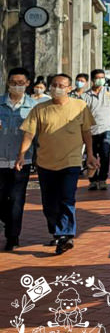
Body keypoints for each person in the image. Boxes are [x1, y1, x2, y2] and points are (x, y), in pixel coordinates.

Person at [17, 74, 98, 254]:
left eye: (61, 85)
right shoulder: (40, 109)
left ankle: (66, 234)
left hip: (71, 161)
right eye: (54, 85)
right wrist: (22, 155)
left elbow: (86, 132)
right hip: (45, 163)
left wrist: (90, 154)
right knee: (49, 203)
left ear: (69, 88)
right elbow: (29, 134)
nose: (56, 88)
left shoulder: (80, 106)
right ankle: (57, 232)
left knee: (67, 197)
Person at [0, 67, 39, 251]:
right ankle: (7, 222)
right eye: (13, 83)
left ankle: (12, 236)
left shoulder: (34, 107)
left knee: (16, 199)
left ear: (28, 84)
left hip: (21, 161)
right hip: (0, 160)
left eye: (21, 83)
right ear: (8, 82)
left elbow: (38, 135)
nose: (17, 86)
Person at [83, 69, 110, 191]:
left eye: (102, 77)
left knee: (105, 153)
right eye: (98, 78)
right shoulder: (85, 96)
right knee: (91, 154)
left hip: (107, 128)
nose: (101, 80)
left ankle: (102, 179)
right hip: (91, 130)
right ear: (92, 80)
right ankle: (93, 180)